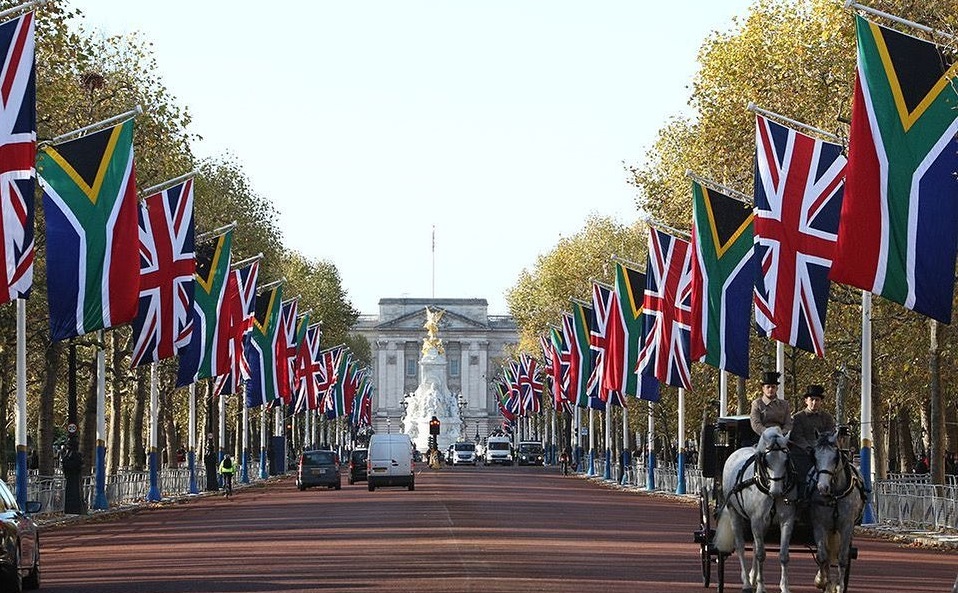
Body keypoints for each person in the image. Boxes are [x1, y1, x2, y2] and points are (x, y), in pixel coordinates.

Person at [790, 384, 836, 497]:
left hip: (823, 453)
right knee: (800, 475)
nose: (814, 403)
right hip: (804, 454)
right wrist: (809, 448)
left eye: (817, 400)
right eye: (812, 400)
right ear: (806, 401)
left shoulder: (827, 417)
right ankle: (802, 496)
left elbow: (830, 435)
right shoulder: (798, 417)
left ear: (821, 402)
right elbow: (797, 436)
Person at [749, 371, 792, 437]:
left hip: (781, 436)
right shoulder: (757, 404)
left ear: (777, 388)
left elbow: (788, 423)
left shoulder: (784, 404)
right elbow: (756, 424)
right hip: (763, 436)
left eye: (773, 387)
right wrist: (768, 433)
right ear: (763, 388)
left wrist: (782, 433)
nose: (770, 389)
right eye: (768, 387)